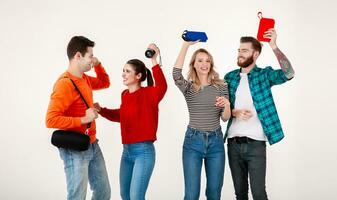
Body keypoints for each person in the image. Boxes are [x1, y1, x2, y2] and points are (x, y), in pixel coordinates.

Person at [224, 29, 295, 200]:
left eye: (245, 50)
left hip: (256, 144)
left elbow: (289, 74)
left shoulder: (264, 75)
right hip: (233, 144)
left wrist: (274, 46)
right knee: (240, 194)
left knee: (259, 194)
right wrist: (234, 112)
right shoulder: (229, 78)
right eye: (239, 50)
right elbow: (221, 109)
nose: (240, 54)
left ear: (255, 54)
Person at [94, 43, 167, 200]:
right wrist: (102, 110)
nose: (123, 74)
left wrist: (154, 60)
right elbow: (123, 116)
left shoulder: (150, 94)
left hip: (144, 151)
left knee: (136, 197)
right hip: (126, 152)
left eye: (127, 71)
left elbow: (162, 86)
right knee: (125, 195)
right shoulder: (125, 95)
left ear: (138, 76)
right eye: (123, 71)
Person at [45, 36, 111, 200]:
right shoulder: (64, 84)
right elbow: (51, 120)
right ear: (78, 56)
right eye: (90, 56)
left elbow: (105, 82)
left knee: (103, 193)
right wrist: (82, 119)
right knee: (77, 196)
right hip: (74, 147)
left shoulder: (85, 78)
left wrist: (98, 65)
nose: (92, 60)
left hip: (92, 143)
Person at [173, 40, 231, 200]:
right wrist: (185, 45)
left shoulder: (221, 85)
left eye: (207, 60)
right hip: (193, 142)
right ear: (194, 65)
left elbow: (225, 118)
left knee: (214, 193)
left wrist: (227, 105)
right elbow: (176, 74)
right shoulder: (189, 88)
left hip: (216, 142)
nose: (204, 64)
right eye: (200, 60)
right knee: (191, 195)